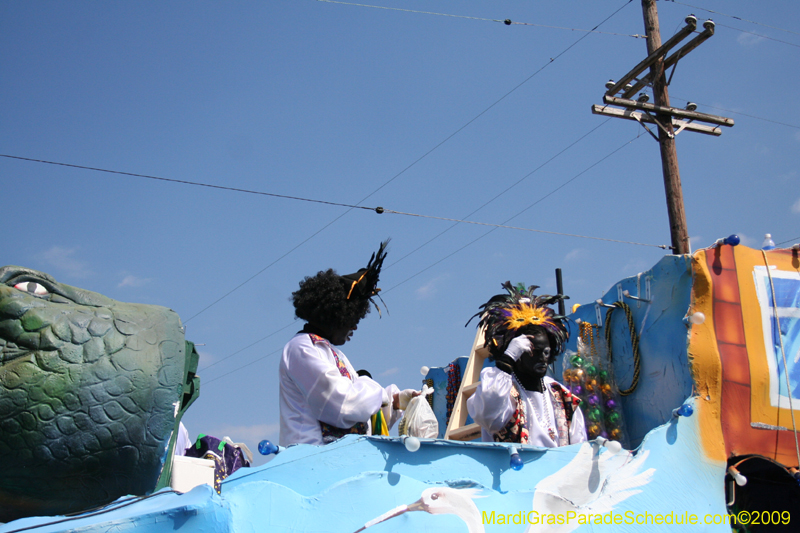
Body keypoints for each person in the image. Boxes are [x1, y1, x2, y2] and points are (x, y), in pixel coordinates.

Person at [279, 241, 416, 446]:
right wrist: (368, 382)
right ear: (335, 317)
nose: (355, 328)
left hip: (337, 460)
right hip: (310, 461)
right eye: (353, 321)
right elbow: (343, 406)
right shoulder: (301, 348)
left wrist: (394, 401)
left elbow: (361, 419)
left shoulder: (335, 355)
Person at [466, 282, 587, 446]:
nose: (541, 359)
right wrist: (507, 359)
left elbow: (579, 446)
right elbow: (489, 417)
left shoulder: (560, 395)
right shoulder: (503, 390)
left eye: (545, 352)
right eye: (532, 352)